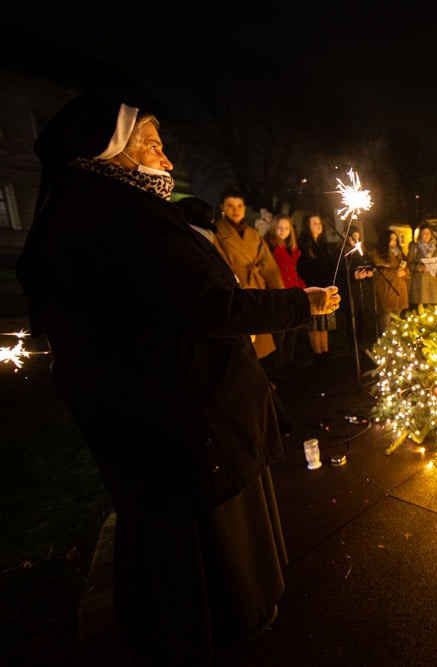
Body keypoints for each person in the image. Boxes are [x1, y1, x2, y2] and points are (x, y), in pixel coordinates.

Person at [14, 94, 340, 666]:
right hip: (181, 417)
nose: (166, 160)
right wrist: (299, 304)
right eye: (152, 145)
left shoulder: (100, 207)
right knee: (205, 542)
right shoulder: (115, 215)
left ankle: (195, 620)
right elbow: (208, 306)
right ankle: (229, 620)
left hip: (162, 412)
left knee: (175, 530)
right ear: (112, 152)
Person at [213, 187, 286, 365]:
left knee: (262, 345)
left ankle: (268, 379)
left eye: (239, 205)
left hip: (258, 291)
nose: (235, 210)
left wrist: (281, 295)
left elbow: (268, 265)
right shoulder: (216, 232)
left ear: (245, 208)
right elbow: (220, 265)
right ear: (222, 207)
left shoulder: (253, 234)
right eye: (230, 205)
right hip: (238, 295)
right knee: (245, 347)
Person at [265, 214, 307, 375]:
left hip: (293, 292)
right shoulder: (270, 247)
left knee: (292, 331)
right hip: (279, 293)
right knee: (280, 333)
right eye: (279, 227)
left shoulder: (293, 249)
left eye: (287, 228)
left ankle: (289, 363)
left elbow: (294, 271)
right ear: (274, 228)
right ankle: (279, 366)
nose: (283, 231)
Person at [297, 213, 338, 364]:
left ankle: (325, 352)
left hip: (325, 287)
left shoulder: (322, 245)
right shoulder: (303, 246)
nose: (319, 225)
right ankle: (317, 353)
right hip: (312, 288)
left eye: (319, 223)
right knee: (315, 323)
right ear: (307, 226)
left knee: (324, 322)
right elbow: (304, 268)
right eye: (315, 223)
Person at [339, 225, 376, 353]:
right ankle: (352, 346)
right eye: (353, 236)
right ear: (346, 235)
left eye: (358, 236)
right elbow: (339, 273)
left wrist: (370, 272)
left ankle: (361, 344)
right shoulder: (342, 252)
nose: (356, 239)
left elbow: (370, 264)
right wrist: (353, 275)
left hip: (362, 291)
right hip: (350, 291)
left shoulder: (361, 251)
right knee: (352, 319)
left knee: (362, 317)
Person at [370, 228, 410, 334]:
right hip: (387, 290)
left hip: (399, 290)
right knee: (386, 318)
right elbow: (379, 271)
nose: (394, 242)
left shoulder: (400, 254)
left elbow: (407, 269)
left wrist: (405, 272)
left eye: (395, 239)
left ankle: (396, 342)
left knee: (397, 318)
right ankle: (385, 343)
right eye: (391, 239)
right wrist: (395, 273)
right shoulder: (378, 253)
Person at [407, 223, 437, 307]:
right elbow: (409, 263)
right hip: (419, 282)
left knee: (433, 307)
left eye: (428, 233)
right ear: (420, 234)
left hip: (433, 282)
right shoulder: (415, 247)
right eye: (424, 233)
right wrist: (420, 268)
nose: (426, 235)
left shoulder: (436, 248)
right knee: (420, 306)